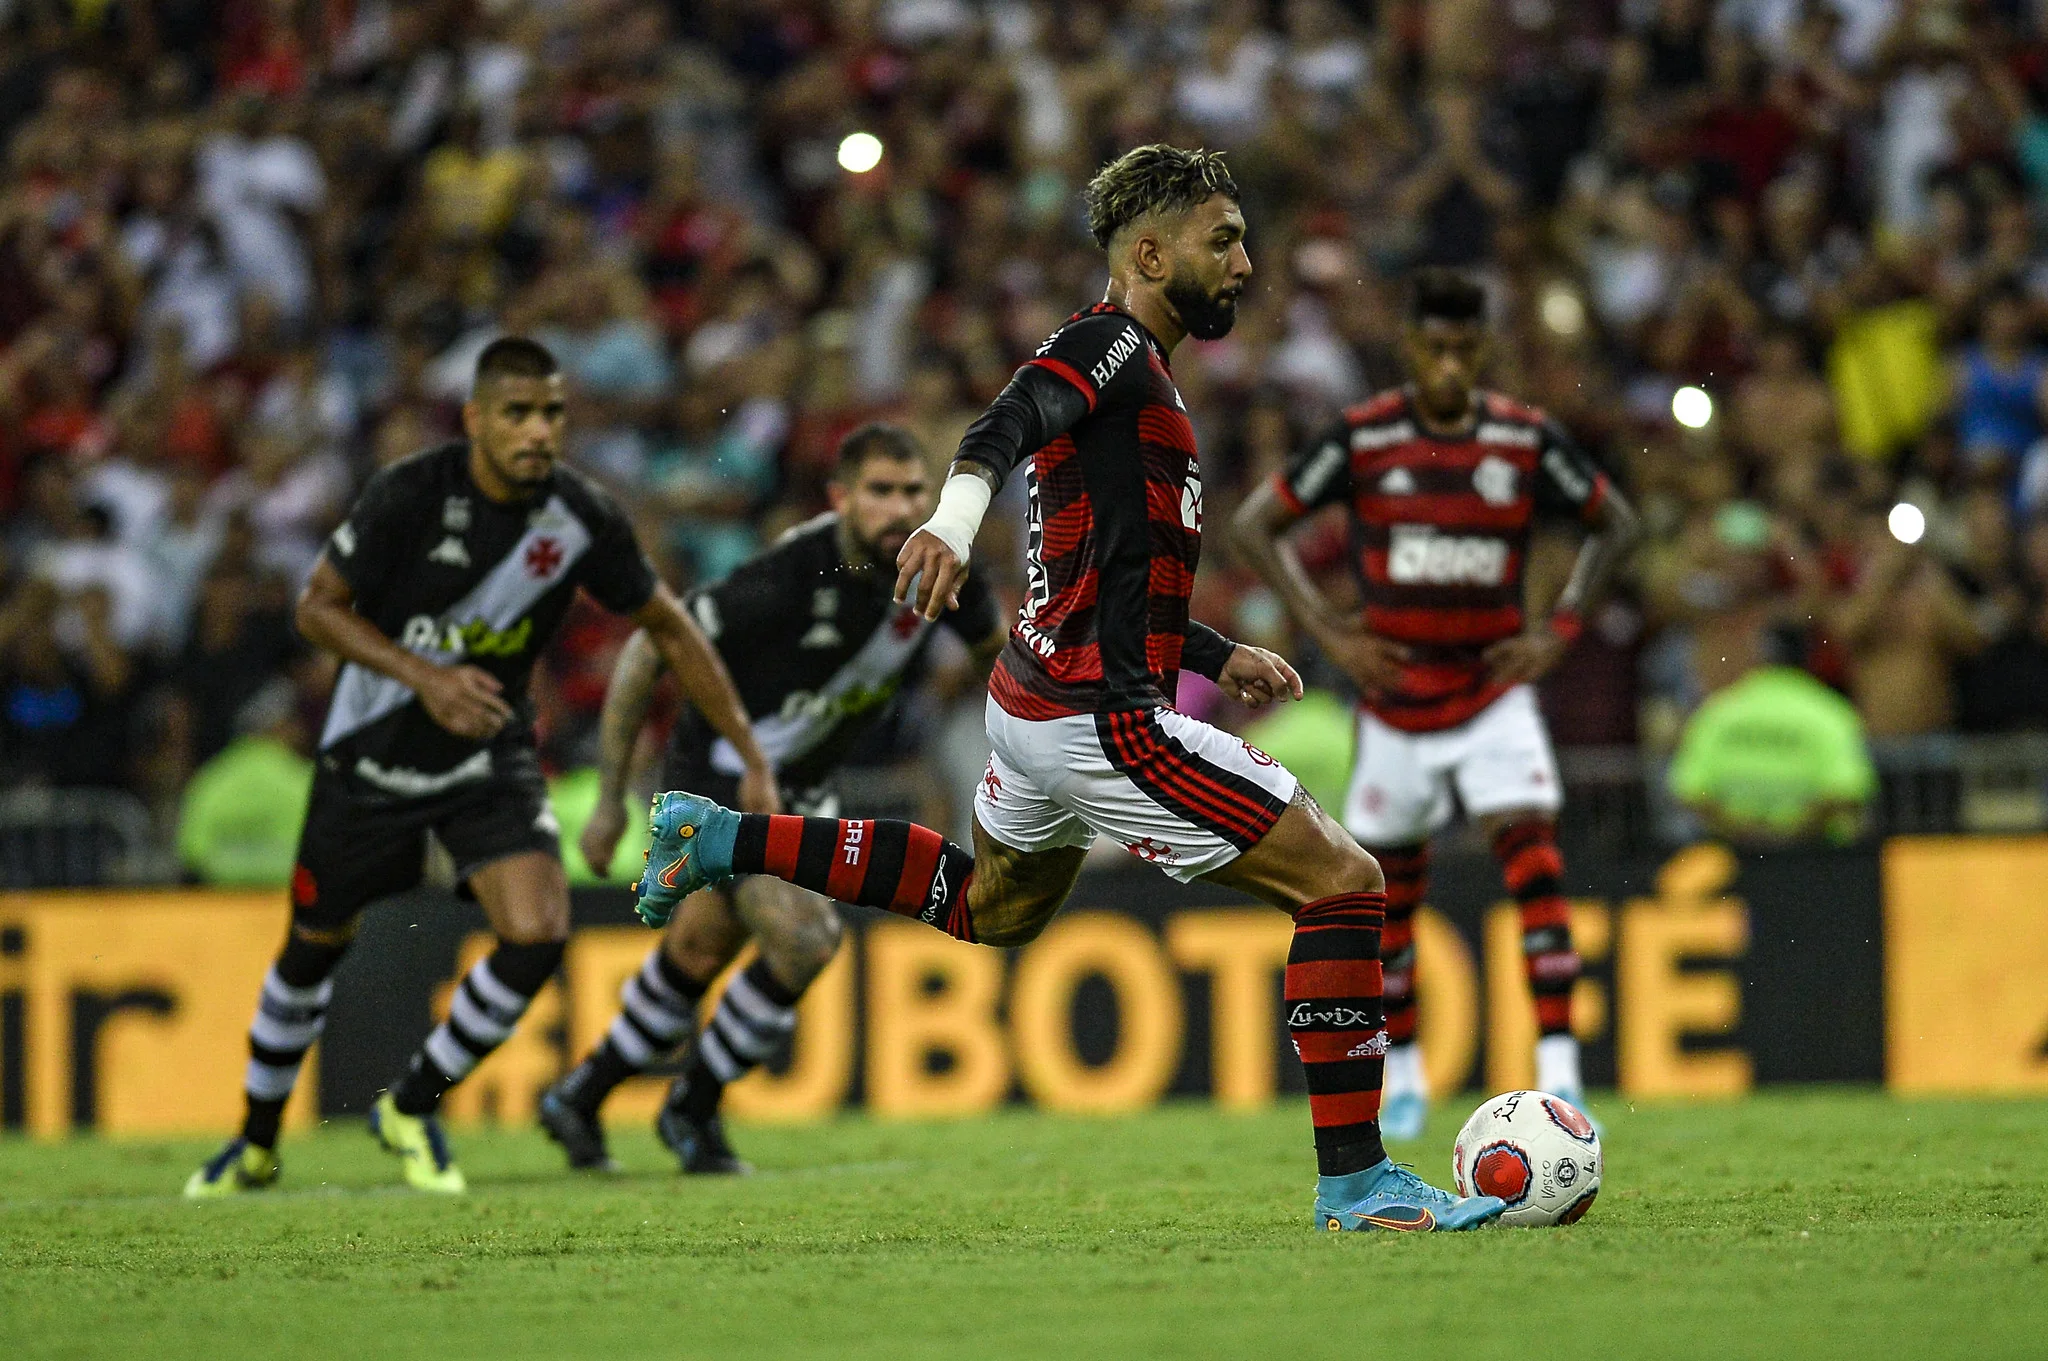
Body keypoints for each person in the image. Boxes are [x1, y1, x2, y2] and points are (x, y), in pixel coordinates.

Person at [629, 147, 1505, 1232]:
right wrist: (949, 521)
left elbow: (1111, 572)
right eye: (1220, 239)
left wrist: (1211, 646)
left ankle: (716, 837)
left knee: (986, 905)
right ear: (1148, 252)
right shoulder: (1110, 344)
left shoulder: (1141, 380)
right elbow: (999, 424)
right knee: (1341, 883)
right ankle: (1358, 1181)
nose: (1245, 260)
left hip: (1035, 695)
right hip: (1098, 717)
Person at [184, 337, 777, 1198]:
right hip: (372, 752)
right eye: (518, 413)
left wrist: (749, 752)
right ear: (474, 420)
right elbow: (316, 608)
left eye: (552, 414)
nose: (539, 431)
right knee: (313, 948)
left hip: (486, 750)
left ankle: (412, 1104)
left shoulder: (582, 517)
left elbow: (671, 626)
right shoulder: (412, 494)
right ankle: (256, 1141)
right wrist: (423, 677)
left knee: (537, 929)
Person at [1229, 268, 1639, 1140]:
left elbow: (1619, 524)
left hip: (1492, 692)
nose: (1450, 364)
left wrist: (1559, 630)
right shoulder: (1365, 437)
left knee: (1534, 861)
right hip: (1394, 697)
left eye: (1465, 347)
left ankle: (1562, 1069)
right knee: (1390, 896)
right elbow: (1255, 523)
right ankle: (1406, 1075)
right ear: (1412, 347)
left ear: (1483, 348)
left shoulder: (1523, 438)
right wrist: (1329, 633)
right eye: (1435, 347)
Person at [538, 423, 1003, 1174]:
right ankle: (690, 1110)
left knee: (700, 947)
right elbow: (649, 643)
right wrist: (611, 800)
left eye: (915, 491)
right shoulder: (796, 574)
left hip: (800, 786)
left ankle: (582, 1094)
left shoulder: (944, 568)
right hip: (722, 777)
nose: (901, 508)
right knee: (805, 937)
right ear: (840, 497)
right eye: (881, 492)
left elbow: (998, 657)